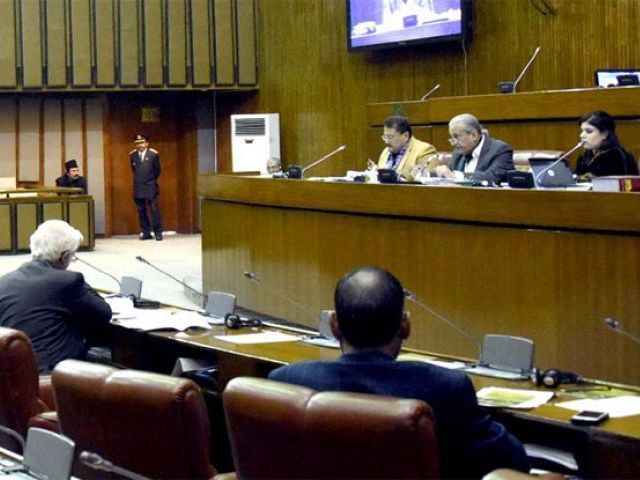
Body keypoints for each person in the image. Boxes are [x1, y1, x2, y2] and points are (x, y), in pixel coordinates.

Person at [269, 266, 530, 479]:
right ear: (405, 325)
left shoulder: (286, 384)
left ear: (334, 325)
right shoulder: (446, 388)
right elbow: (513, 462)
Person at [0, 220, 112, 374]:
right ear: (64, 256)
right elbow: (104, 313)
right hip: (50, 378)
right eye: (72, 256)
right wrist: (72, 277)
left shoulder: (5, 281)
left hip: (12, 377)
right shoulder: (67, 281)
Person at [435, 113, 514, 184]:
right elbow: (449, 175)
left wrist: (457, 175)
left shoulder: (500, 150)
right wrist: (432, 174)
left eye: (456, 137)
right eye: (451, 138)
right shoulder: (458, 153)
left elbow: (492, 177)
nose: (453, 143)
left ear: (474, 135)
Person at [575, 110, 639, 179]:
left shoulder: (616, 156)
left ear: (605, 134)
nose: (582, 135)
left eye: (589, 131)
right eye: (582, 131)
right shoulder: (585, 157)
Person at [375, 116, 438, 181]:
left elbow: (427, 182)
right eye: (385, 137)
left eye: (390, 137)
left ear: (405, 136)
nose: (386, 141)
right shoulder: (386, 151)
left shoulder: (425, 150)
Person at [130, 133, 163, 241]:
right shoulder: (133, 155)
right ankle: (146, 232)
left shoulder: (153, 154)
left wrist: (151, 181)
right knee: (141, 211)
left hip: (150, 186)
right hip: (138, 186)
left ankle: (158, 232)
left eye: (142, 143)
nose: (140, 145)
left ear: (147, 143)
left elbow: (157, 170)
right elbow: (134, 171)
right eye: (137, 143)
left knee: (154, 210)